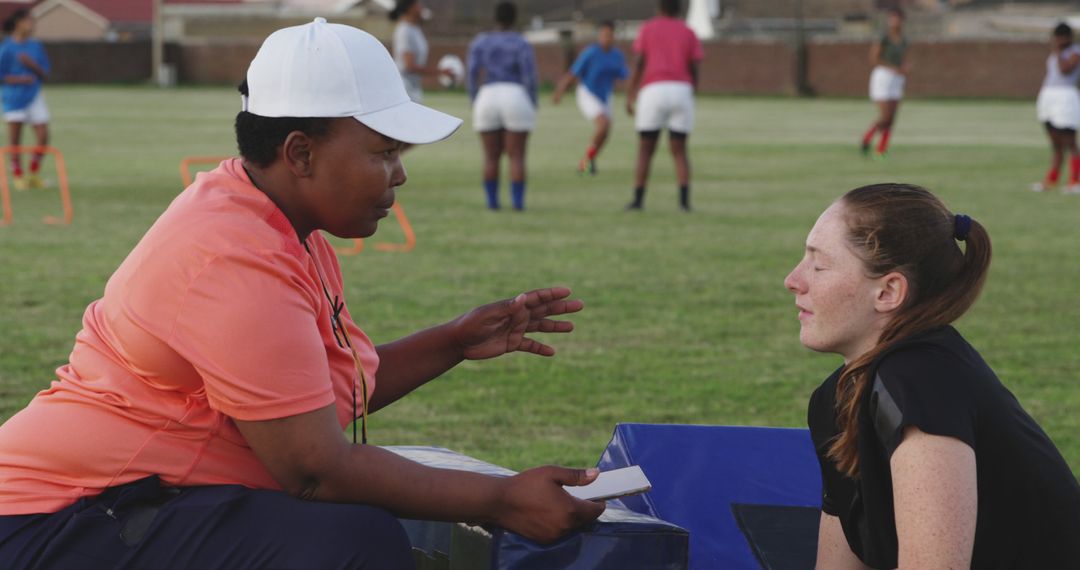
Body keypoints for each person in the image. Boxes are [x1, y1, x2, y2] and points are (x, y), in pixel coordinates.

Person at [0, 18, 605, 568]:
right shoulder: (233, 253)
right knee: (349, 543)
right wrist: (503, 499)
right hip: (50, 519)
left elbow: (320, 397)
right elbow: (313, 469)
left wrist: (452, 340)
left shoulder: (272, 221)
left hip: (110, 501)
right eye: (385, 152)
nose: (400, 174)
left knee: (348, 532)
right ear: (301, 153)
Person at [785, 183, 1080, 569]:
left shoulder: (920, 384)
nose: (793, 279)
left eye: (819, 265)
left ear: (889, 291)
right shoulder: (837, 399)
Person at [625, 0, 703, 212]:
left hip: (653, 90)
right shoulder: (688, 31)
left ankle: (638, 200)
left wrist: (631, 93)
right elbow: (694, 66)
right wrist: (692, 90)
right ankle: (684, 203)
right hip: (681, 89)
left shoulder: (648, 28)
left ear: (659, 8)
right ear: (679, 9)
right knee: (679, 150)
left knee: (645, 150)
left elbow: (640, 62)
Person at [467, 1, 537, 211]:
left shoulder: (481, 41)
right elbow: (530, 76)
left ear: (495, 18)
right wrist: (532, 102)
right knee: (516, 156)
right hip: (515, 95)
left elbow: (471, 73)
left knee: (490, 157)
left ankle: (492, 203)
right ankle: (517, 204)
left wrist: (474, 99)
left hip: (487, 96)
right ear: (514, 19)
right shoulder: (521, 42)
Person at [552, 20, 628, 176]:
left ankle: (588, 160)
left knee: (605, 132)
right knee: (603, 124)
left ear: (614, 36)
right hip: (588, 93)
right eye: (604, 34)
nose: (606, 38)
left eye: (609, 35)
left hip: (605, 96)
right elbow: (574, 73)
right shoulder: (591, 53)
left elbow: (625, 76)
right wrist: (560, 91)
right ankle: (586, 162)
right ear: (599, 36)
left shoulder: (617, 56)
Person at [0, 9, 50, 191]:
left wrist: (31, 65)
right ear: (18, 23)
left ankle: (33, 173)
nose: (32, 24)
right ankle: (18, 176)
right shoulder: (6, 48)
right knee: (15, 139)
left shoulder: (36, 46)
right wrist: (18, 79)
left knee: (43, 135)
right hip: (12, 98)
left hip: (34, 95)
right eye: (29, 20)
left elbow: (45, 73)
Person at [1032, 22, 1080, 194]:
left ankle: (1075, 181)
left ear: (1067, 38)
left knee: (1070, 142)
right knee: (1056, 144)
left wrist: (1059, 51)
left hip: (1066, 97)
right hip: (1048, 96)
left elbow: (1065, 70)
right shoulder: (1055, 53)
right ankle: (1051, 180)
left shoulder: (1075, 52)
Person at [860, 8, 908, 160]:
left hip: (897, 78)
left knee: (892, 118)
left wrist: (904, 68)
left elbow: (902, 58)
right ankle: (867, 138)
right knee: (885, 116)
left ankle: (882, 149)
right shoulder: (884, 38)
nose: (896, 22)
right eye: (893, 18)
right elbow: (874, 59)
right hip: (884, 76)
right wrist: (893, 68)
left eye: (898, 18)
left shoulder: (904, 39)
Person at [391, 0, 449, 103]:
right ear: (410, 8)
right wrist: (440, 72)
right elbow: (409, 66)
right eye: (418, 4)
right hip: (405, 89)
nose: (421, 7)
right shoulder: (405, 31)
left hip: (414, 87)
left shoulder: (415, 28)